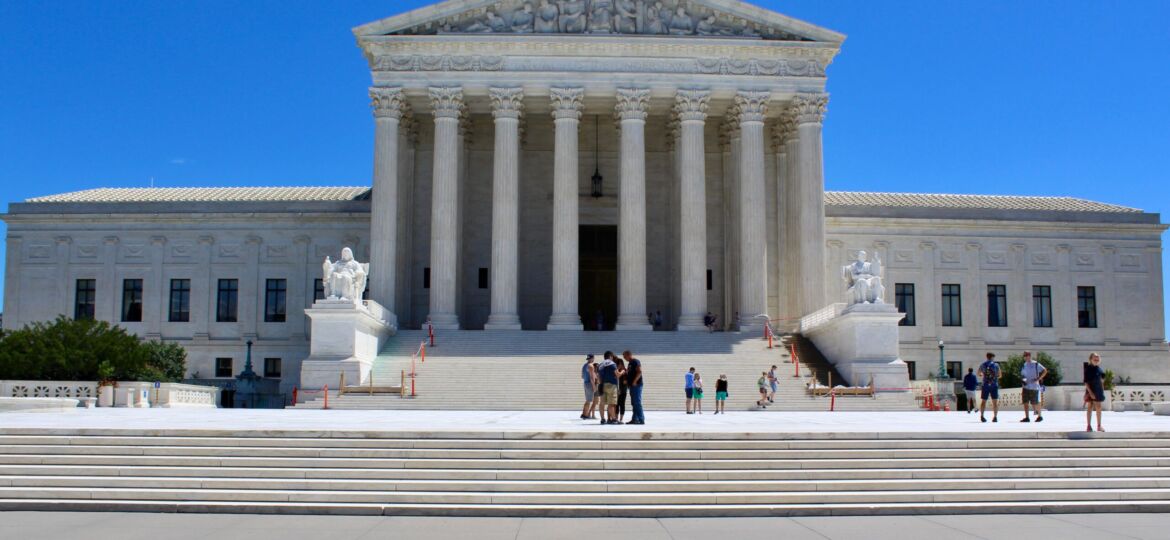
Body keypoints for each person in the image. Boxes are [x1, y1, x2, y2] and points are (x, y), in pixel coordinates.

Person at [1020, 351, 1047, 423]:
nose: (1025, 357)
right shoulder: (1024, 365)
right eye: (1024, 355)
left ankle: (1040, 416)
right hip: (1026, 386)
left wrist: (1039, 378)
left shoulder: (1035, 364)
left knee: (1036, 402)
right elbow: (1023, 375)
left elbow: (1045, 370)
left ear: (1030, 356)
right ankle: (1027, 417)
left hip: (1034, 386)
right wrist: (1023, 380)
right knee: (1025, 402)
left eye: (1027, 355)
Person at [1084, 352, 1106, 432]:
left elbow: (1102, 380)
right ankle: (1089, 426)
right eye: (1095, 358)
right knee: (1090, 407)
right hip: (1091, 390)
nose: (1096, 359)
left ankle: (1099, 425)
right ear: (1091, 359)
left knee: (1099, 407)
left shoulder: (1099, 368)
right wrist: (1090, 393)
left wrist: (1102, 390)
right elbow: (1086, 382)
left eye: (1097, 358)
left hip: (1098, 390)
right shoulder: (1088, 369)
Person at [598, 353, 620, 425]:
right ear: (610, 356)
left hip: (602, 385)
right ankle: (614, 419)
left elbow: (598, 376)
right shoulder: (612, 364)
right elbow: (617, 374)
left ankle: (602, 419)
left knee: (602, 403)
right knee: (611, 403)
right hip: (611, 385)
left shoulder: (600, 364)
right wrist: (622, 371)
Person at [979, 352, 1001, 423]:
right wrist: (995, 377)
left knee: (983, 401)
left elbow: (978, 373)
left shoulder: (983, 365)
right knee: (995, 402)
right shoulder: (996, 365)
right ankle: (995, 417)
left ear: (987, 357)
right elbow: (1000, 375)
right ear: (992, 357)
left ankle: (982, 416)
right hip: (994, 385)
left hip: (985, 385)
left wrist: (983, 375)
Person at [624, 350, 645, 424]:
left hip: (637, 385)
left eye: (625, 356)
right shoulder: (630, 363)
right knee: (634, 403)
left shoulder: (635, 361)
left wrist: (635, 381)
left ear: (629, 355)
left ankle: (641, 419)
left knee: (637, 402)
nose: (624, 358)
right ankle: (635, 419)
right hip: (632, 386)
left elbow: (639, 371)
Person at [580, 354, 595, 420]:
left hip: (585, 383)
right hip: (589, 383)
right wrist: (594, 386)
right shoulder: (590, 365)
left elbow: (582, 376)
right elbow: (592, 377)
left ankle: (584, 413)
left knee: (587, 400)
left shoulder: (584, 365)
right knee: (589, 400)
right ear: (592, 358)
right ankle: (585, 415)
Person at [614, 354, 628, 423]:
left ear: (622, 364)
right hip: (616, 390)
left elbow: (620, 376)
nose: (618, 365)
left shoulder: (624, 370)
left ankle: (621, 419)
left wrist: (617, 370)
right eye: (617, 364)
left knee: (622, 404)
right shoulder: (616, 371)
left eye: (619, 364)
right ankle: (616, 419)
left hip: (623, 390)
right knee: (617, 405)